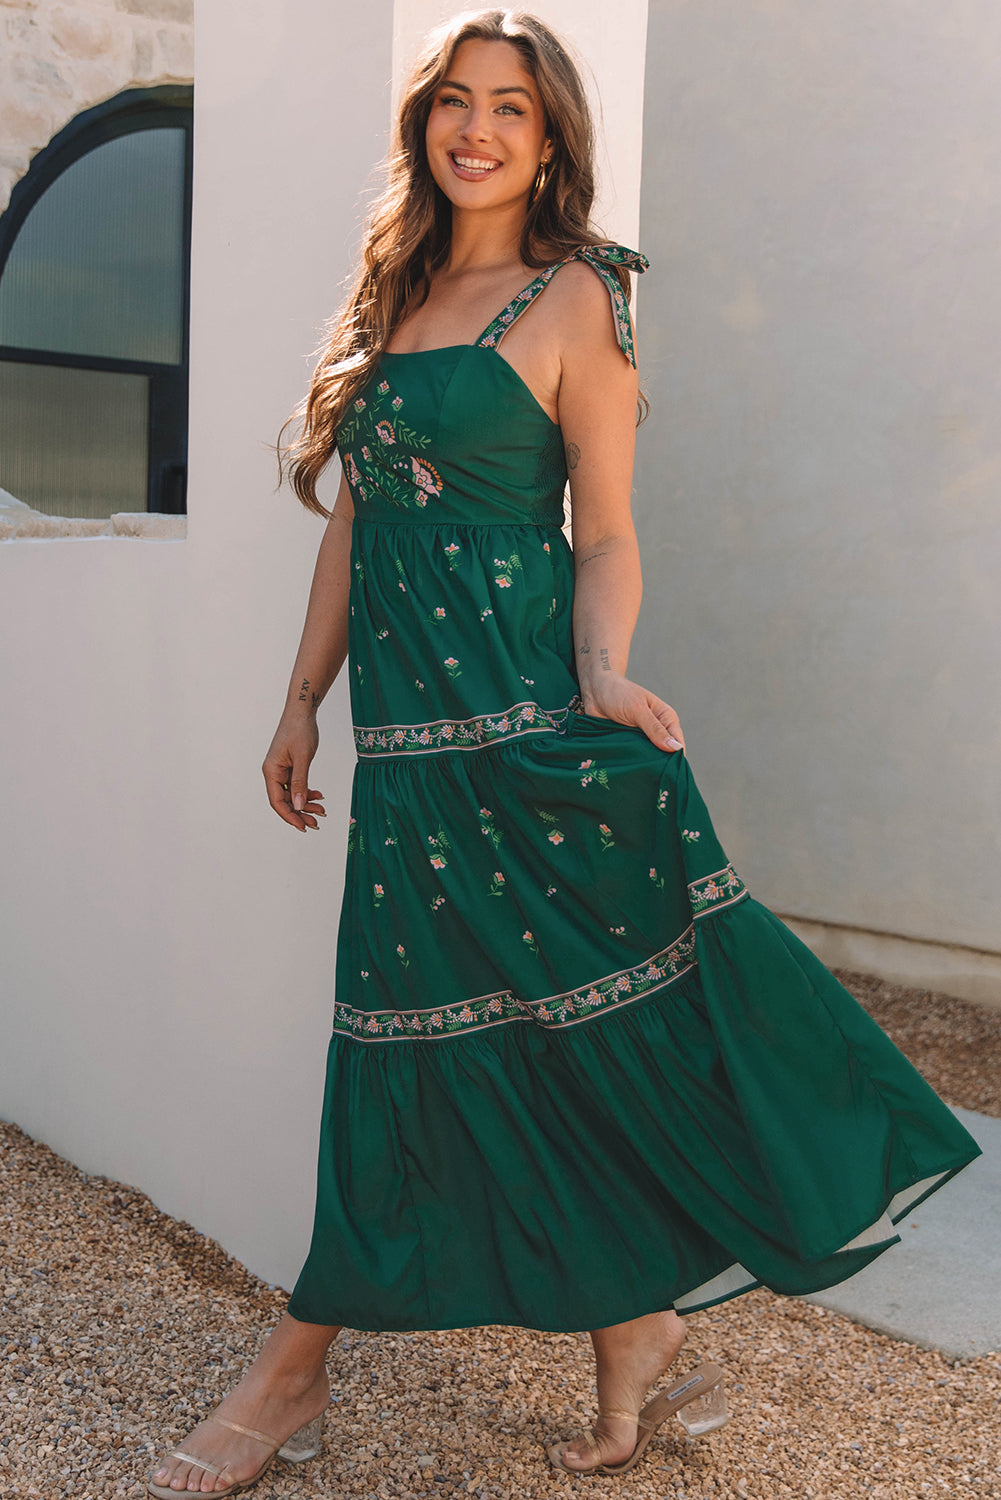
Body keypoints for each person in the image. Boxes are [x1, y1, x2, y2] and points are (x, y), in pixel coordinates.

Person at [147, 9, 981, 1496]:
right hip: (409, 757)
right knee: (446, 1046)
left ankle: (289, 1373)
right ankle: (636, 1331)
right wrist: (300, 700)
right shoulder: (395, 289)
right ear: (423, 124)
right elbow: (356, 523)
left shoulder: (578, 294)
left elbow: (605, 528)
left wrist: (602, 671)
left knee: (569, 1036)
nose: (476, 129)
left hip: (528, 735)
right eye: (454, 102)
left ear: (549, 142)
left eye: (511, 109)